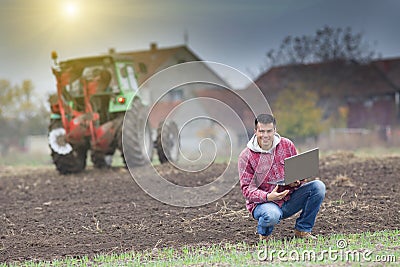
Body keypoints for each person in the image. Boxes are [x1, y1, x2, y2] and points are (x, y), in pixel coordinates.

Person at [238, 113, 325, 241]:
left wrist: (297, 182)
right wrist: (268, 196)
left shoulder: (287, 145)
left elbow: (298, 172)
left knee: (318, 187)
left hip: (289, 199)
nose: (266, 135)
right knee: (272, 215)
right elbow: (247, 190)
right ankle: (265, 235)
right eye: (262, 131)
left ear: (275, 130)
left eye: (269, 131)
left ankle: (302, 230)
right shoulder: (246, 156)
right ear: (255, 131)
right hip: (264, 204)